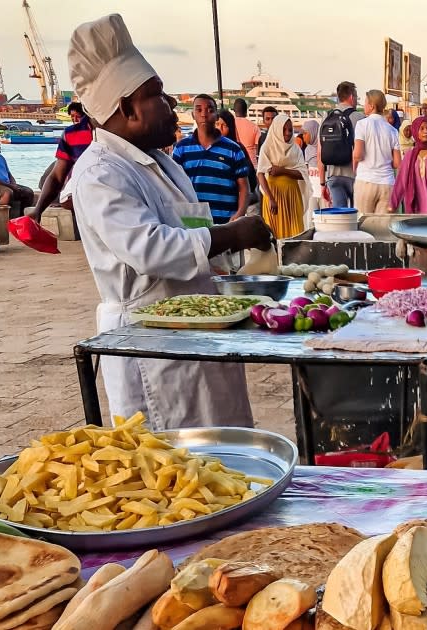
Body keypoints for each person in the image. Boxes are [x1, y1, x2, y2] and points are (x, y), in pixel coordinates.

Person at [63, 13, 272, 429]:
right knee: (175, 463)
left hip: (195, 321)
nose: (171, 104)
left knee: (222, 443)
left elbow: (189, 231)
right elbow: (151, 248)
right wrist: (232, 234)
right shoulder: (101, 173)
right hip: (149, 335)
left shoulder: (161, 162)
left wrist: (230, 277)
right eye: (158, 95)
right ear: (126, 108)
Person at [171, 94, 250, 224]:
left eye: (210, 110)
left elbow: (244, 188)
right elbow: (174, 188)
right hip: (195, 224)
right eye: (199, 110)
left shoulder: (233, 150)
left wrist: (239, 214)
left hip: (228, 223)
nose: (204, 114)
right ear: (193, 115)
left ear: (216, 116)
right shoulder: (181, 149)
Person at [32, 102, 93, 221]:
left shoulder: (117, 131)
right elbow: (56, 177)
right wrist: (38, 210)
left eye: (78, 116)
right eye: (72, 117)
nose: (75, 120)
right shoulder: (69, 134)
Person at [256, 115, 310, 238]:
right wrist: (270, 199)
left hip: (292, 195)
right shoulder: (267, 147)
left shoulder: (295, 149)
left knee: (295, 235)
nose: (287, 133)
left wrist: (282, 171)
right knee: (275, 236)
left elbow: (303, 174)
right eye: (284, 130)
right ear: (276, 129)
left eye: (290, 130)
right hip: (273, 196)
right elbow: (260, 174)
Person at [352, 89, 401, 214]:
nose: (363, 105)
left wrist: (354, 168)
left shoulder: (362, 124)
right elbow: (397, 163)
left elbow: (358, 154)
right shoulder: (392, 130)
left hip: (366, 181)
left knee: (364, 225)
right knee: (383, 229)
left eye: (365, 102)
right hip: (387, 183)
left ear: (372, 106)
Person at [390, 117, 427, 214]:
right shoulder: (410, 155)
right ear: (415, 131)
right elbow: (401, 181)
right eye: (422, 128)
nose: (426, 131)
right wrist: (393, 204)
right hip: (415, 203)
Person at [317, 82, 363, 208]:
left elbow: (320, 153)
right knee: (357, 216)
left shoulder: (327, 117)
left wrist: (322, 184)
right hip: (355, 176)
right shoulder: (360, 117)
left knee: (340, 216)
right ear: (352, 97)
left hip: (333, 176)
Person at [231, 98, 261, 167]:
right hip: (252, 164)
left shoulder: (230, 125)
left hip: (234, 162)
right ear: (246, 111)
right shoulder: (254, 127)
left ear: (234, 111)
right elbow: (258, 148)